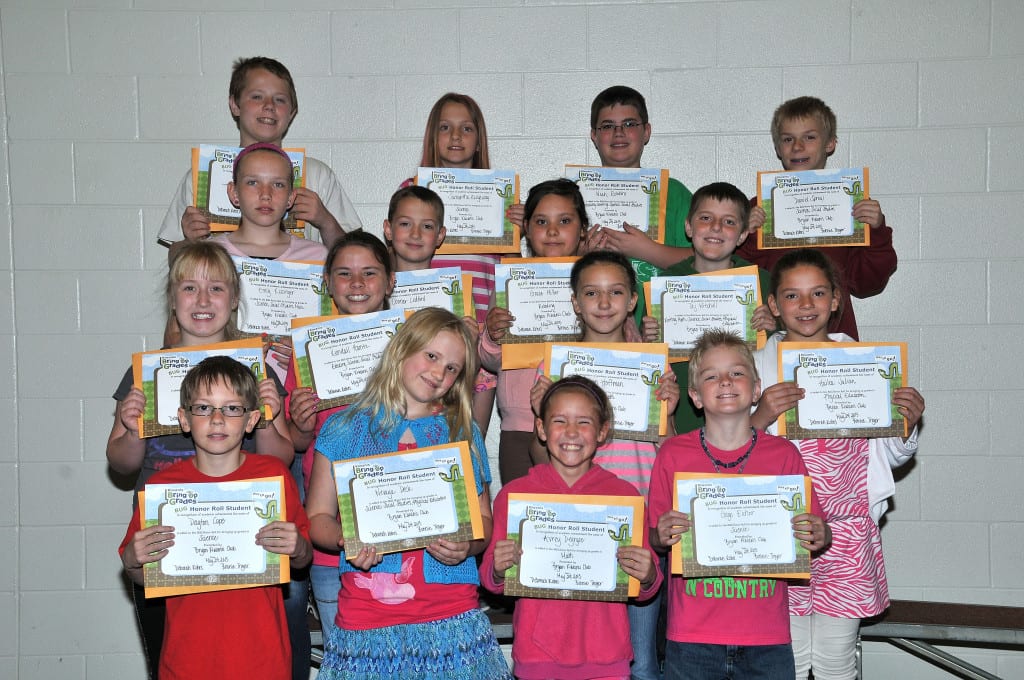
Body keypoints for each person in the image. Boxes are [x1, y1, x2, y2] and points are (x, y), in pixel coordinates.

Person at [106, 240, 294, 678]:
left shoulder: (257, 368)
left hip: (243, 537)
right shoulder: (145, 372)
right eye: (189, 288)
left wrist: (267, 417)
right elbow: (120, 461)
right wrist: (132, 429)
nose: (203, 300)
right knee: (172, 658)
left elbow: (282, 456)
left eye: (216, 289)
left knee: (249, 653)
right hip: (169, 536)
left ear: (234, 299)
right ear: (173, 299)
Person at [304, 308, 511, 678]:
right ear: (401, 349)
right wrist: (344, 538)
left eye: (452, 368)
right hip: (368, 618)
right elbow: (317, 517)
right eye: (431, 356)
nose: (438, 373)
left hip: (450, 613)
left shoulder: (462, 430)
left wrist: (468, 545)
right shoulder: (344, 427)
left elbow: (483, 520)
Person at [750, 249, 925, 680]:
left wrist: (906, 425)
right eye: (792, 295)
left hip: (847, 531)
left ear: (835, 300)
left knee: (835, 659)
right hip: (779, 529)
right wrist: (759, 417)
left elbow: (892, 454)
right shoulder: (752, 369)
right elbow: (729, 454)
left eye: (817, 293)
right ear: (774, 306)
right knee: (786, 659)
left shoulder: (866, 366)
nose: (805, 305)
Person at [528, 250, 679, 680]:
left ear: (633, 300)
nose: (604, 302)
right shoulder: (552, 370)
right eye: (591, 293)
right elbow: (540, 459)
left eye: (616, 292)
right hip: (573, 523)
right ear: (575, 302)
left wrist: (666, 411)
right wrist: (541, 411)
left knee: (643, 660)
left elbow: (667, 453)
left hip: (639, 519)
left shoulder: (655, 366)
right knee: (581, 651)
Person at [649, 330, 832, 680]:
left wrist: (819, 533)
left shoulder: (783, 455)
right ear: (695, 397)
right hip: (691, 638)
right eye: (711, 376)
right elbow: (653, 538)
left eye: (736, 372)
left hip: (767, 637)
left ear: (757, 387)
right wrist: (661, 535)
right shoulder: (672, 455)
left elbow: (816, 534)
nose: (725, 382)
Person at [119, 356, 312, 680]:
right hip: (186, 662)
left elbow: (302, 558)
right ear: (184, 418)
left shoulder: (272, 478)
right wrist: (132, 559)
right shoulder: (161, 488)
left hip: (263, 661)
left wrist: (297, 547)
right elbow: (142, 576)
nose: (218, 419)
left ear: (252, 420)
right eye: (204, 408)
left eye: (232, 408)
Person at [482, 375, 663, 679]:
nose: (571, 432)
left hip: (608, 661)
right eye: (559, 421)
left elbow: (646, 589)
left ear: (603, 431)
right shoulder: (514, 498)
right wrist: (498, 568)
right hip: (537, 659)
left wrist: (648, 575)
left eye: (583, 422)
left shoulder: (624, 498)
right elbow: (491, 580)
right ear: (540, 428)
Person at [286, 229, 395, 637]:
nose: (357, 284)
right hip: (333, 540)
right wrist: (299, 421)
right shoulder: (309, 355)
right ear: (327, 283)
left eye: (369, 272)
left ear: (390, 281)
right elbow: (298, 445)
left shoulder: (414, 351)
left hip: (403, 525)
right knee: (344, 652)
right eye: (344, 274)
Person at [401, 93, 523, 436]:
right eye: (445, 127)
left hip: (479, 339)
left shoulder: (503, 201)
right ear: (432, 136)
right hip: (422, 341)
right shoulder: (411, 192)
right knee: (414, 442)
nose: (455, 136)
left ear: (479, 138)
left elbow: (513, 275)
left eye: (466, 128)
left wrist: (521, 231)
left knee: (469, 445)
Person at [736, 96, 897, 340]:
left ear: (830, 143)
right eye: (788, 139)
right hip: (771, 341)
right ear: (778, 148)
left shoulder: (850, 207)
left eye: (809, 137)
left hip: (833, 343)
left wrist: (876, 232)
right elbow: (737, 279)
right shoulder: (758, 210)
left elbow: (868, 283)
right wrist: (745, 237)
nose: (797, 146)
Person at [159, 56, 361, 249]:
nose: (269, 106)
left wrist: (325, 221)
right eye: (257, 96)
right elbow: (175, 257)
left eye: (280, 100)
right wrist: (189, 240)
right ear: (235, 105)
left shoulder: (317, 175)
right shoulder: (202, 175)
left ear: (292, 112)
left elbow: (354, 259)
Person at [480, 178, 591, 484]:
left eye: (565, 221)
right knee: (523, 513)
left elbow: (622, 345)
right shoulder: (511, 282)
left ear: (583, 228)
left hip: (584, 424)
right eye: (541, 221)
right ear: (526, 227)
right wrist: (491, 335)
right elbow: (489, 361)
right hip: (520, 424)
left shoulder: (599, 281)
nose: (552, 231)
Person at [658, 182, 775, 436]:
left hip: (745, 416)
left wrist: (775, 328)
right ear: (689, 227)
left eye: (729, 222)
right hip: (684, 415)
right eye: (705, 218)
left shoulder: (762, 281)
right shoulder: (664, 283)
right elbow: (655, 356)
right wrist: (651, 338)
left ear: (743, 234)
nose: (716, 227)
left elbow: (783, 348)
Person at [584, 86, 695, 324]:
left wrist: (646, 250)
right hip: (592, 327)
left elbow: (706, 262)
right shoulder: (573, 195)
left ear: (646, 131)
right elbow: (550, 261)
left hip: (662, 326)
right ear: (594, 135)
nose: (619, 133)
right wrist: (579, 255)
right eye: (607, 126)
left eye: (629, 124)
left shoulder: (673, 192)